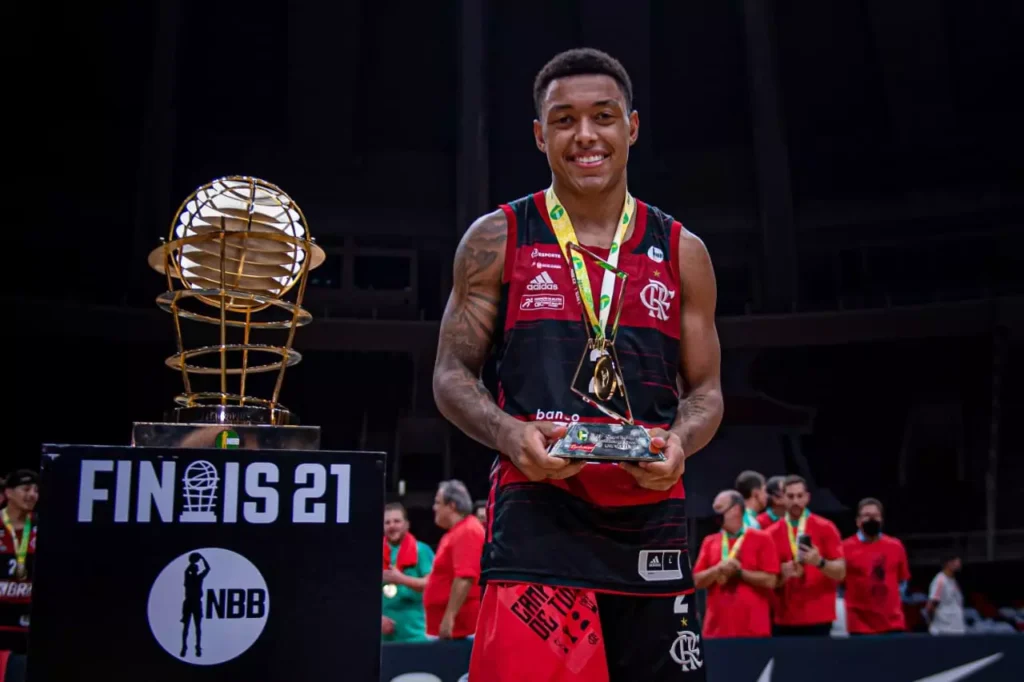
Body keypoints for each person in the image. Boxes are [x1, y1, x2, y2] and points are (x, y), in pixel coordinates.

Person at [433, 47, 723, 681]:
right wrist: (509, 433)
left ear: (632, 127)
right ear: (541, 135)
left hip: (650, 517)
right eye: (564, 120)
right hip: (539, 510)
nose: (585, 135)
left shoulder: (683, 251)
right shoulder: (497, 237)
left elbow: (705, 393)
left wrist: (679, 442)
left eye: (603, 116)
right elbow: (451, 375)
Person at [692, 490, 779, 639]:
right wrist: (717, 569)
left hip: (754, 631)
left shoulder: (762, 539)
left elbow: (771, 580)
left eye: (719, 508)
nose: (715, 514)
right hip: (715, 631)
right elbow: (696, 581)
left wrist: (739, 573)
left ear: (736, 509)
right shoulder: (710, 541)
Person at [767, 475, 845, 636]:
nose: (795, 501)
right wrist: (782, 575)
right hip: (784, 619)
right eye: (790, 496)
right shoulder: (770, 534)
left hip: (819, 617)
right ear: (782, 498)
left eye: (800, 496)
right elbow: (766, 581)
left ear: (807, 497)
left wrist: (820, 562)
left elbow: (841, 572)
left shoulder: (826, 528)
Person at [422, 480, 485, 640]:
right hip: (451, 628)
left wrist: (448, 618)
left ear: (452, 506)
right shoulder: (455, 532)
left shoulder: (467, 530)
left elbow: (465, 577)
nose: (434, 507)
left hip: (460, 629)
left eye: (437, 502)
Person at [840, 498, 910, 636]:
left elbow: (903, 580)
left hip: (892, 623)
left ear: (881, 520)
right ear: (858, 521)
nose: (871, 519)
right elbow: (839, 584)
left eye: (875, 516)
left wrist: (890, 603)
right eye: (866, 516)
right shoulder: (844, 548)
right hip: (859, 625)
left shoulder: (896, 546)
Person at [382, 502, 435, 642]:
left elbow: (432, 584)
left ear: (406, 524)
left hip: (415, 634)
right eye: (387, 522)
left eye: (397, 521)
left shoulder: (422, 550)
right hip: (382, 636)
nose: (392, 526)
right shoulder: (374, 553)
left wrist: (400, 579)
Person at [0, 470, 39, 654]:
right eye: (26, 489)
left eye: (36, 490)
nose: (32, 495)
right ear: (8, 493)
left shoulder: (44, 527)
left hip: (27, 628)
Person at [925, 556, 966, 636]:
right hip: (944, 631)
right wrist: (931, 626)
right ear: (948, 563)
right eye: (956, 561)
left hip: (956, 629)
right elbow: (930, 607)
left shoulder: (953, 581)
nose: (959, 563)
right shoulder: (940, 580)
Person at [180, 552, 210, 658]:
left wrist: (201, 558)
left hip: (194, 602)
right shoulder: (190, 577)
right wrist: (200, 559)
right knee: (189, 626)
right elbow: (207, 568)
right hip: (190, 602)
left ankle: (196, 647)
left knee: (194, 627)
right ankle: (185, 647)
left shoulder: (196, 577)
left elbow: (207, 569)